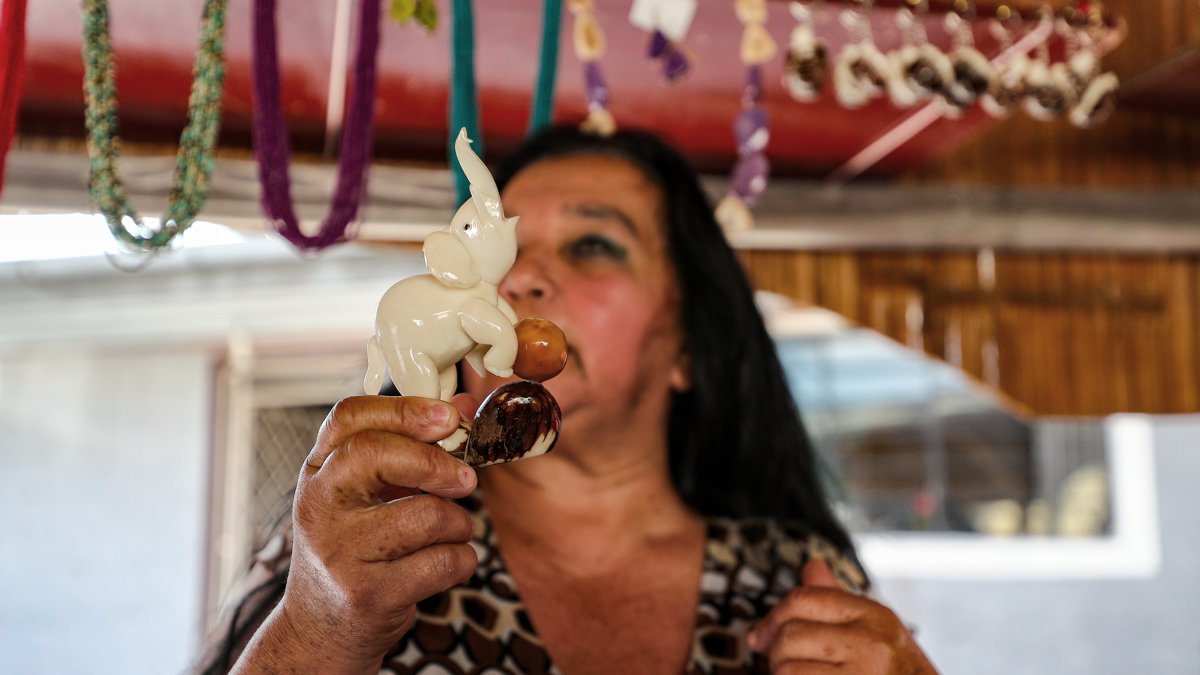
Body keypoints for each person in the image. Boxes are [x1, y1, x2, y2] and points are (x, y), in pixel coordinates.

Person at [196, 125, 937, 674]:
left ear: (686, 345)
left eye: (593, 245)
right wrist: (317, 632)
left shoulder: (790, 572)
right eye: (508, 256)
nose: (519, 281)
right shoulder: (362, 543)